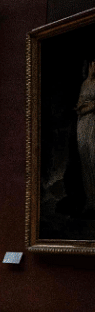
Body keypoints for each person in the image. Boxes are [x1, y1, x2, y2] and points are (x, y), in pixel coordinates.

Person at [76, 60, 95, 213]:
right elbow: (79, 105)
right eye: (94, 64)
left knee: (93, 158)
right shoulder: (84, 84)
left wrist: (86, 107)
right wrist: (82, 108)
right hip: (82, 123)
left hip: (94, 123)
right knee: (85, 161)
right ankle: (90, 201)